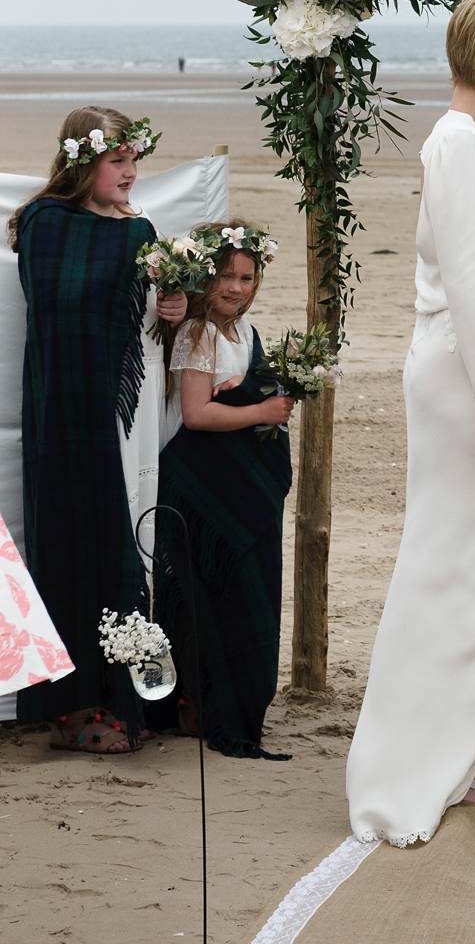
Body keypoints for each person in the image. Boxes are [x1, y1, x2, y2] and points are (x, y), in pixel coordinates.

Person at [346, 0, 475, 846]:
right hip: (468, 373)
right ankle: (415, 767)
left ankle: (467, 741)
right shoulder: (455, 141)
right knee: (453, 565)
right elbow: (462, 281)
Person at [10, 108, 186, 754]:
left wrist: (173, 305)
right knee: (61, 544)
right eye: (119, 162)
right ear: (85, 163)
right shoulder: (42, 225)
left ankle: (121, 697)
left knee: (121, 538)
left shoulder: (142, 231)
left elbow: (149, 322)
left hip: (120, 418)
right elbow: (54, 304)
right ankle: (67, 707)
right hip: (59, 410)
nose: (132, 173)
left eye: (135, 161)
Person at [157, 225, 295, 758]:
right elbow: (196, 413)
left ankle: (236, 702)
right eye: (224, 276)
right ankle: (202, 703)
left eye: (246, 277)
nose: (235, 288)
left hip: (244, 490)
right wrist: (261, 409)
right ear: (203, 277)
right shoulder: (199, 333)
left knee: (247, 596)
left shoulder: (245, 331)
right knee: (210, 601)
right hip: (210, 491)